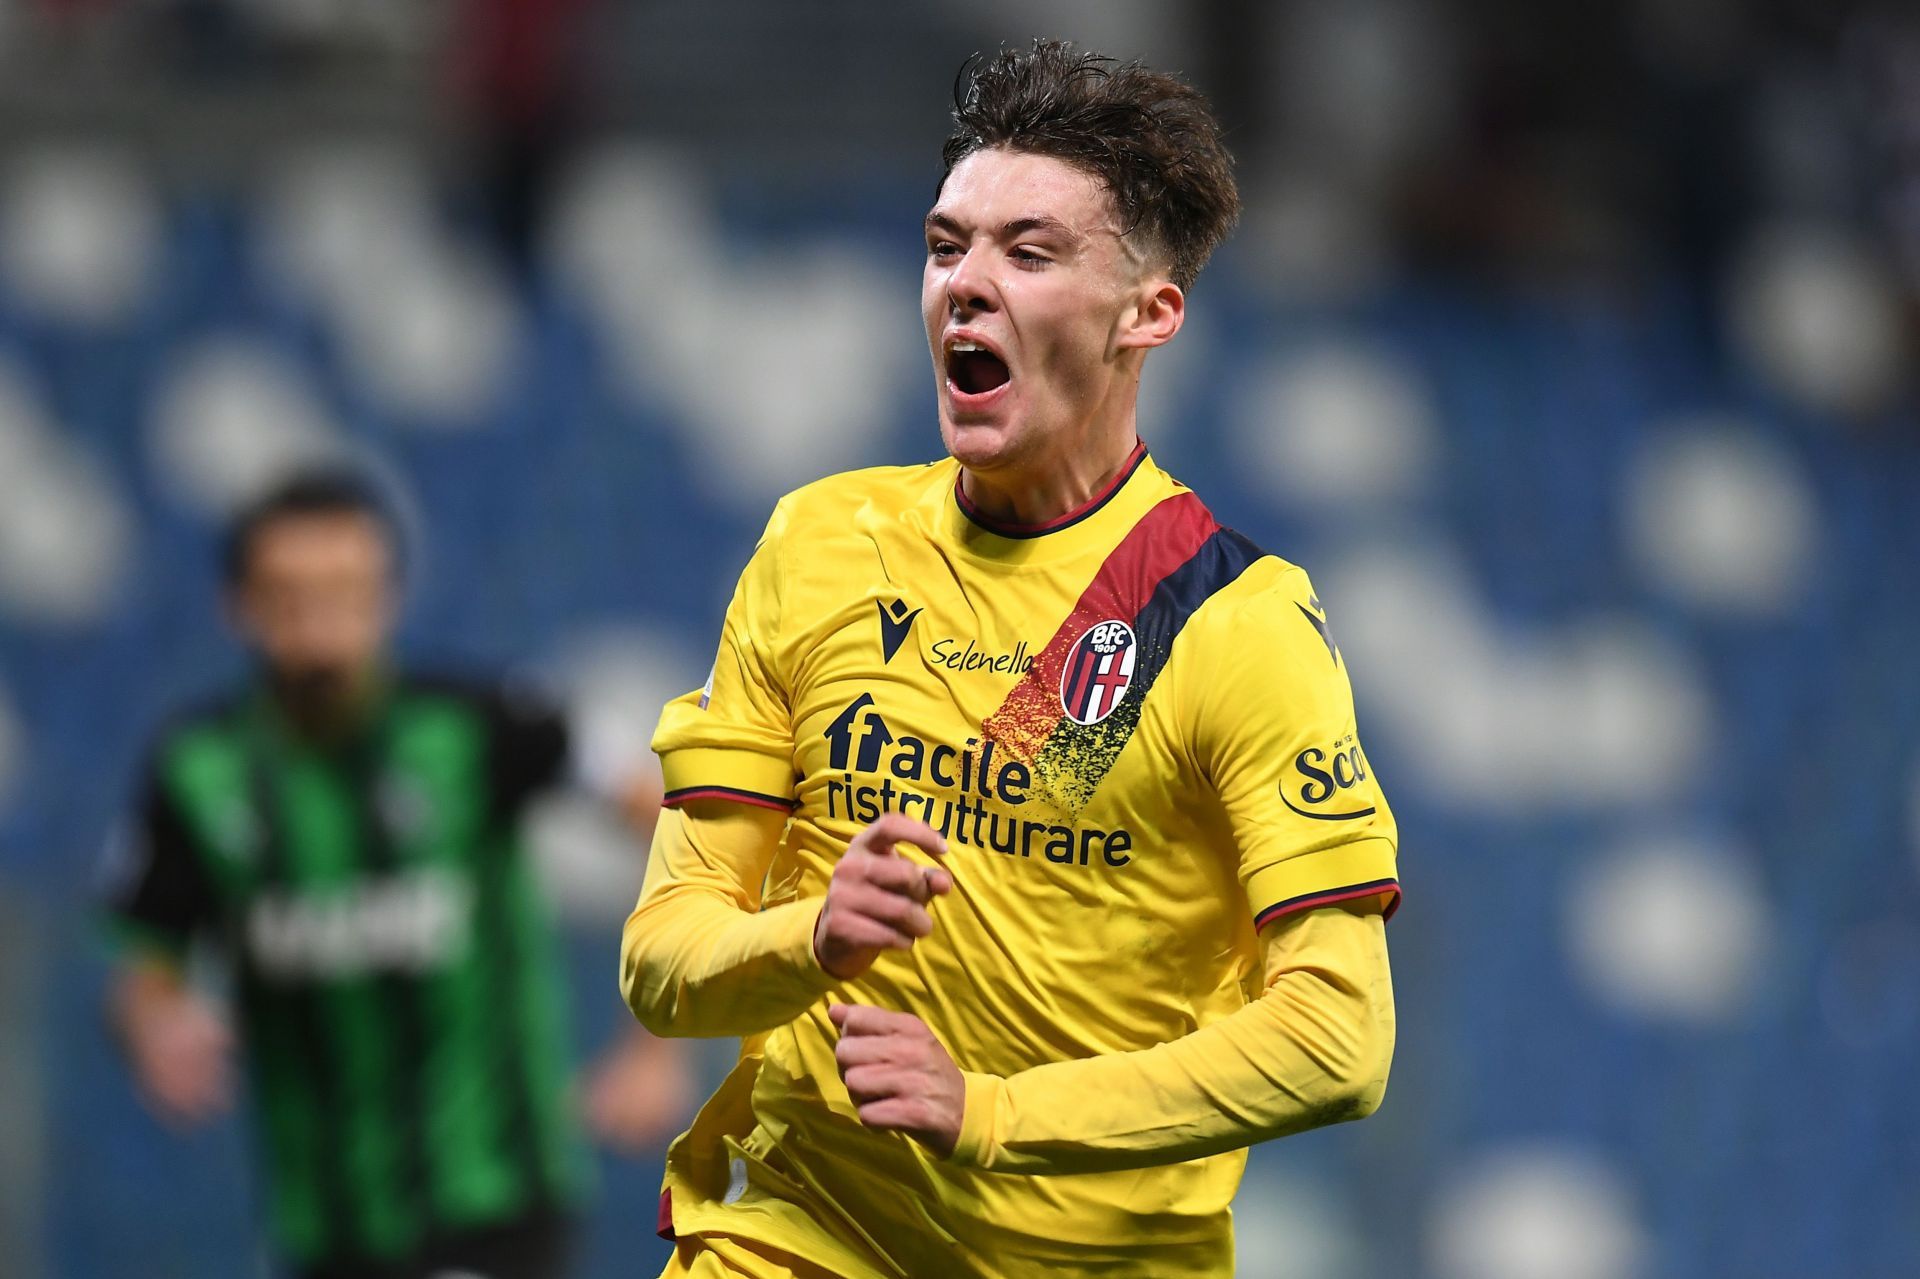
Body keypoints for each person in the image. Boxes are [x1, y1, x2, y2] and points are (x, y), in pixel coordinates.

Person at [621, 39, 1400, 1279]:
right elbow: (662, 962)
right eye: (946, 247)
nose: (965, 286)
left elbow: (1339, 1038)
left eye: (1028, 253)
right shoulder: (819, 544)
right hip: (799, 1233)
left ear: (1149, 313)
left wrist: (989, 1116)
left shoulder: (1231, 622)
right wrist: (810, 937)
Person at [102, 469, 687, 1279]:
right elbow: (146, 958)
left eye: (346, 591)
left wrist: (658, 1039)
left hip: (492, 1201)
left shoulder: (480, 724)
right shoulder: (198, 770)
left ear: (389, 597)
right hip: (320, 1227)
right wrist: (153, 1026)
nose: (320, 625)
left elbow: (672, 815)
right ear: (238, 605)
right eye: (290, 596)